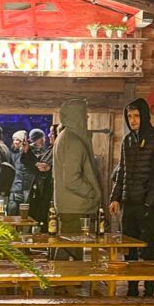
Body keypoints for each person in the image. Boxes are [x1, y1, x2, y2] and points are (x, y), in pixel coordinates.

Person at [109, 98, 154, 297]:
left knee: (150, 252)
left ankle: (149, 292)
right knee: (130, 250)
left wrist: (149, 202)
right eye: (129, 116)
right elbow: (123, 171)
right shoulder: (128, 140)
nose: (133, 120)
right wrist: (116, 197)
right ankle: (131, 289)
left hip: (150, 207)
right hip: (130, 203)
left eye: (136, 116)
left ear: (144, 116)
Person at [53, 99, 101, 251]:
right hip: (75, 208)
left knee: (68, 253)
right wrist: (92, 193)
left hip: (72, 206)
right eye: (84, 114)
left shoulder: (66, 137)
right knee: (70, 257)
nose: (87, 118)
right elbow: (72, 179)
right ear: (76, 116)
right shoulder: (72, 141)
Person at [22, 127, 53, 229]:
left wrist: (49, 168)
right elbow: (36, 163)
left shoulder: (55, 149)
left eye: (52, 133)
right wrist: (27, 151)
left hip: (49, 188)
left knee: (45, 219)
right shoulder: (49, 149)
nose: (48, 136)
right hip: (37, 186)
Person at [8, 130, 33, 215]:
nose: (15, 142)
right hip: (14, 188)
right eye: (14, 139)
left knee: (24, 215)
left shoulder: (28, 154)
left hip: (25, 189)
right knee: (11, 212)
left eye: (18, 140)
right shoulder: (12, 154)